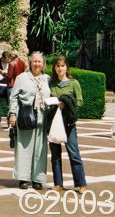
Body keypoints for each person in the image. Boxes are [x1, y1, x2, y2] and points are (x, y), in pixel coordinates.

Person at [8, 51, 51, 189]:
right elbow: (13, 97)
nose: (37, 64)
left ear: (43, 63)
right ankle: (23, 178)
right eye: (34, 61)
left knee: (40, 149)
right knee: (24, 147)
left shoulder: (48, 79)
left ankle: (38, 178)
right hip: (25, 115)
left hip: (42, 117)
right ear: (30, 62)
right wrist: (12, 114)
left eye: (39, 61)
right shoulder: (22, 78)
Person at [47, 55, 87, 193]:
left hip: (68, 122)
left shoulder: (73, 83)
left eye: (63, 66)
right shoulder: (51, 83)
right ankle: (58, 183)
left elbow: (80, 101)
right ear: (54, 68)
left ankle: (81, 183)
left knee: (73, 152)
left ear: (67, 67)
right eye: (58, 66)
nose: (60, 68)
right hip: (54, 121)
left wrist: (68, 104)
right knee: (55, 154)